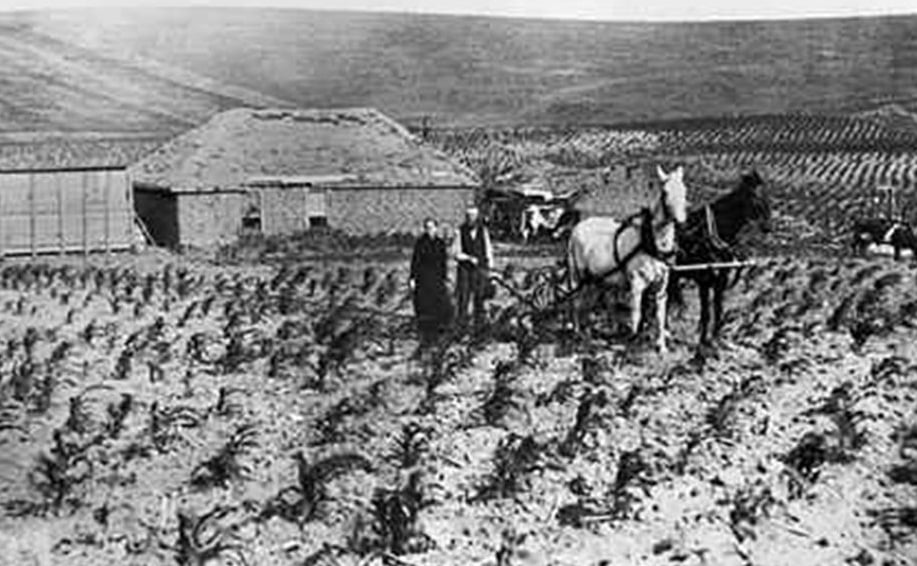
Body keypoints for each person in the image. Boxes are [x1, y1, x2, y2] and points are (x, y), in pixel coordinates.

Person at [409, 218, 452, 349]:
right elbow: (415, 262)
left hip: (437, 280)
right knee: (423, 305)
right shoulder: (420, 243)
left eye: (432, 227)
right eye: (427, 227)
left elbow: (443, 263)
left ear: (436, 228)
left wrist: (445, 278)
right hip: (423, 280)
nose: (429, 230)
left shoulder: (440, 243)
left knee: (437, 306)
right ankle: (425, 335)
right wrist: (412, 279)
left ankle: (437, 334)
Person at [452, 205, 494, 331]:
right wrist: (468, 258)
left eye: (474, 216)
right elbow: (455, 253)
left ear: (477, 217)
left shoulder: (483, 231)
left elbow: (488, 250)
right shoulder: (460, 231)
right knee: (463, 299)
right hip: (465, 270)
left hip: (480, 269)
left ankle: (478, 327)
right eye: (469, 216)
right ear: (466, 217)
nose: (472, 218)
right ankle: (461, 328)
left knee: (480, 298)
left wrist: (490, 269)